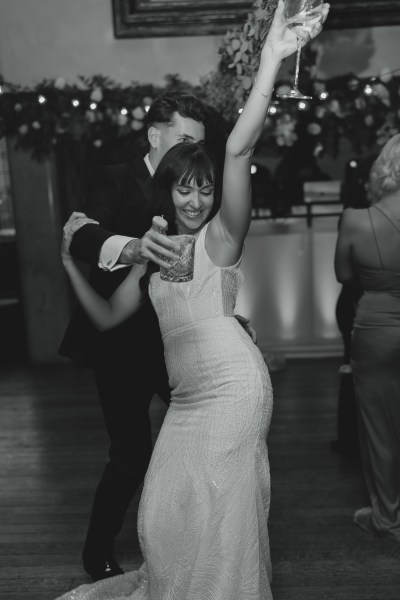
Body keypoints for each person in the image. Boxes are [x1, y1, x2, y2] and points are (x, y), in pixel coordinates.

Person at [56, 3, 329, 598]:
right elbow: (106, 317)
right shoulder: (154, 252)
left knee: (221, 516)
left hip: (232, 388)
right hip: (185, 399)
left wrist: (270, 63)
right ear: (168, 188)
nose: (197, 199)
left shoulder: (221, 239)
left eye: (206, 189)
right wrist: (68, 267)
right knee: (160, 512)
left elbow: (237, 149)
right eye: (186, 187)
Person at [58, 92, 214, 581]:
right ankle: (97, 551)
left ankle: (206, 538)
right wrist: (131, 248)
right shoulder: (113, 177)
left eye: (199, 143)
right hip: (122, 342)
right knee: (130, 453)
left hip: (179, 342)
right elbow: (83, 234)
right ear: (155, 135)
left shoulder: (191, 187)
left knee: (207, 435)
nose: (192, 150)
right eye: (184, 139)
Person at [335, 133, 400, 541]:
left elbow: (343, 276)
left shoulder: (356, 219)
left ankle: (387, 517)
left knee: (378, 425)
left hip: (376, 327)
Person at [330, 155, 376, 458]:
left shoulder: (353, 216)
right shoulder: (360, 216)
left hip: (355, 301)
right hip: (356, 302)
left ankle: (352, 439)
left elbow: (343, 273)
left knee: (353, 369)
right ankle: (352, 439)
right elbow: (344, 275)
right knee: (355, 371)